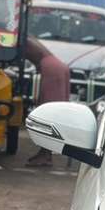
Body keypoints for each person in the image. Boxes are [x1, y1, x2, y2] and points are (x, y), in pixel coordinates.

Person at [24, 35, 70, 167]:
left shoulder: (16, 37)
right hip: (56, 65)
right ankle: (45, 153)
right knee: (52, 112)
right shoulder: (25, 35)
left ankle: (46, 155)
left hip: (51, 68)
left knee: (48, 114)